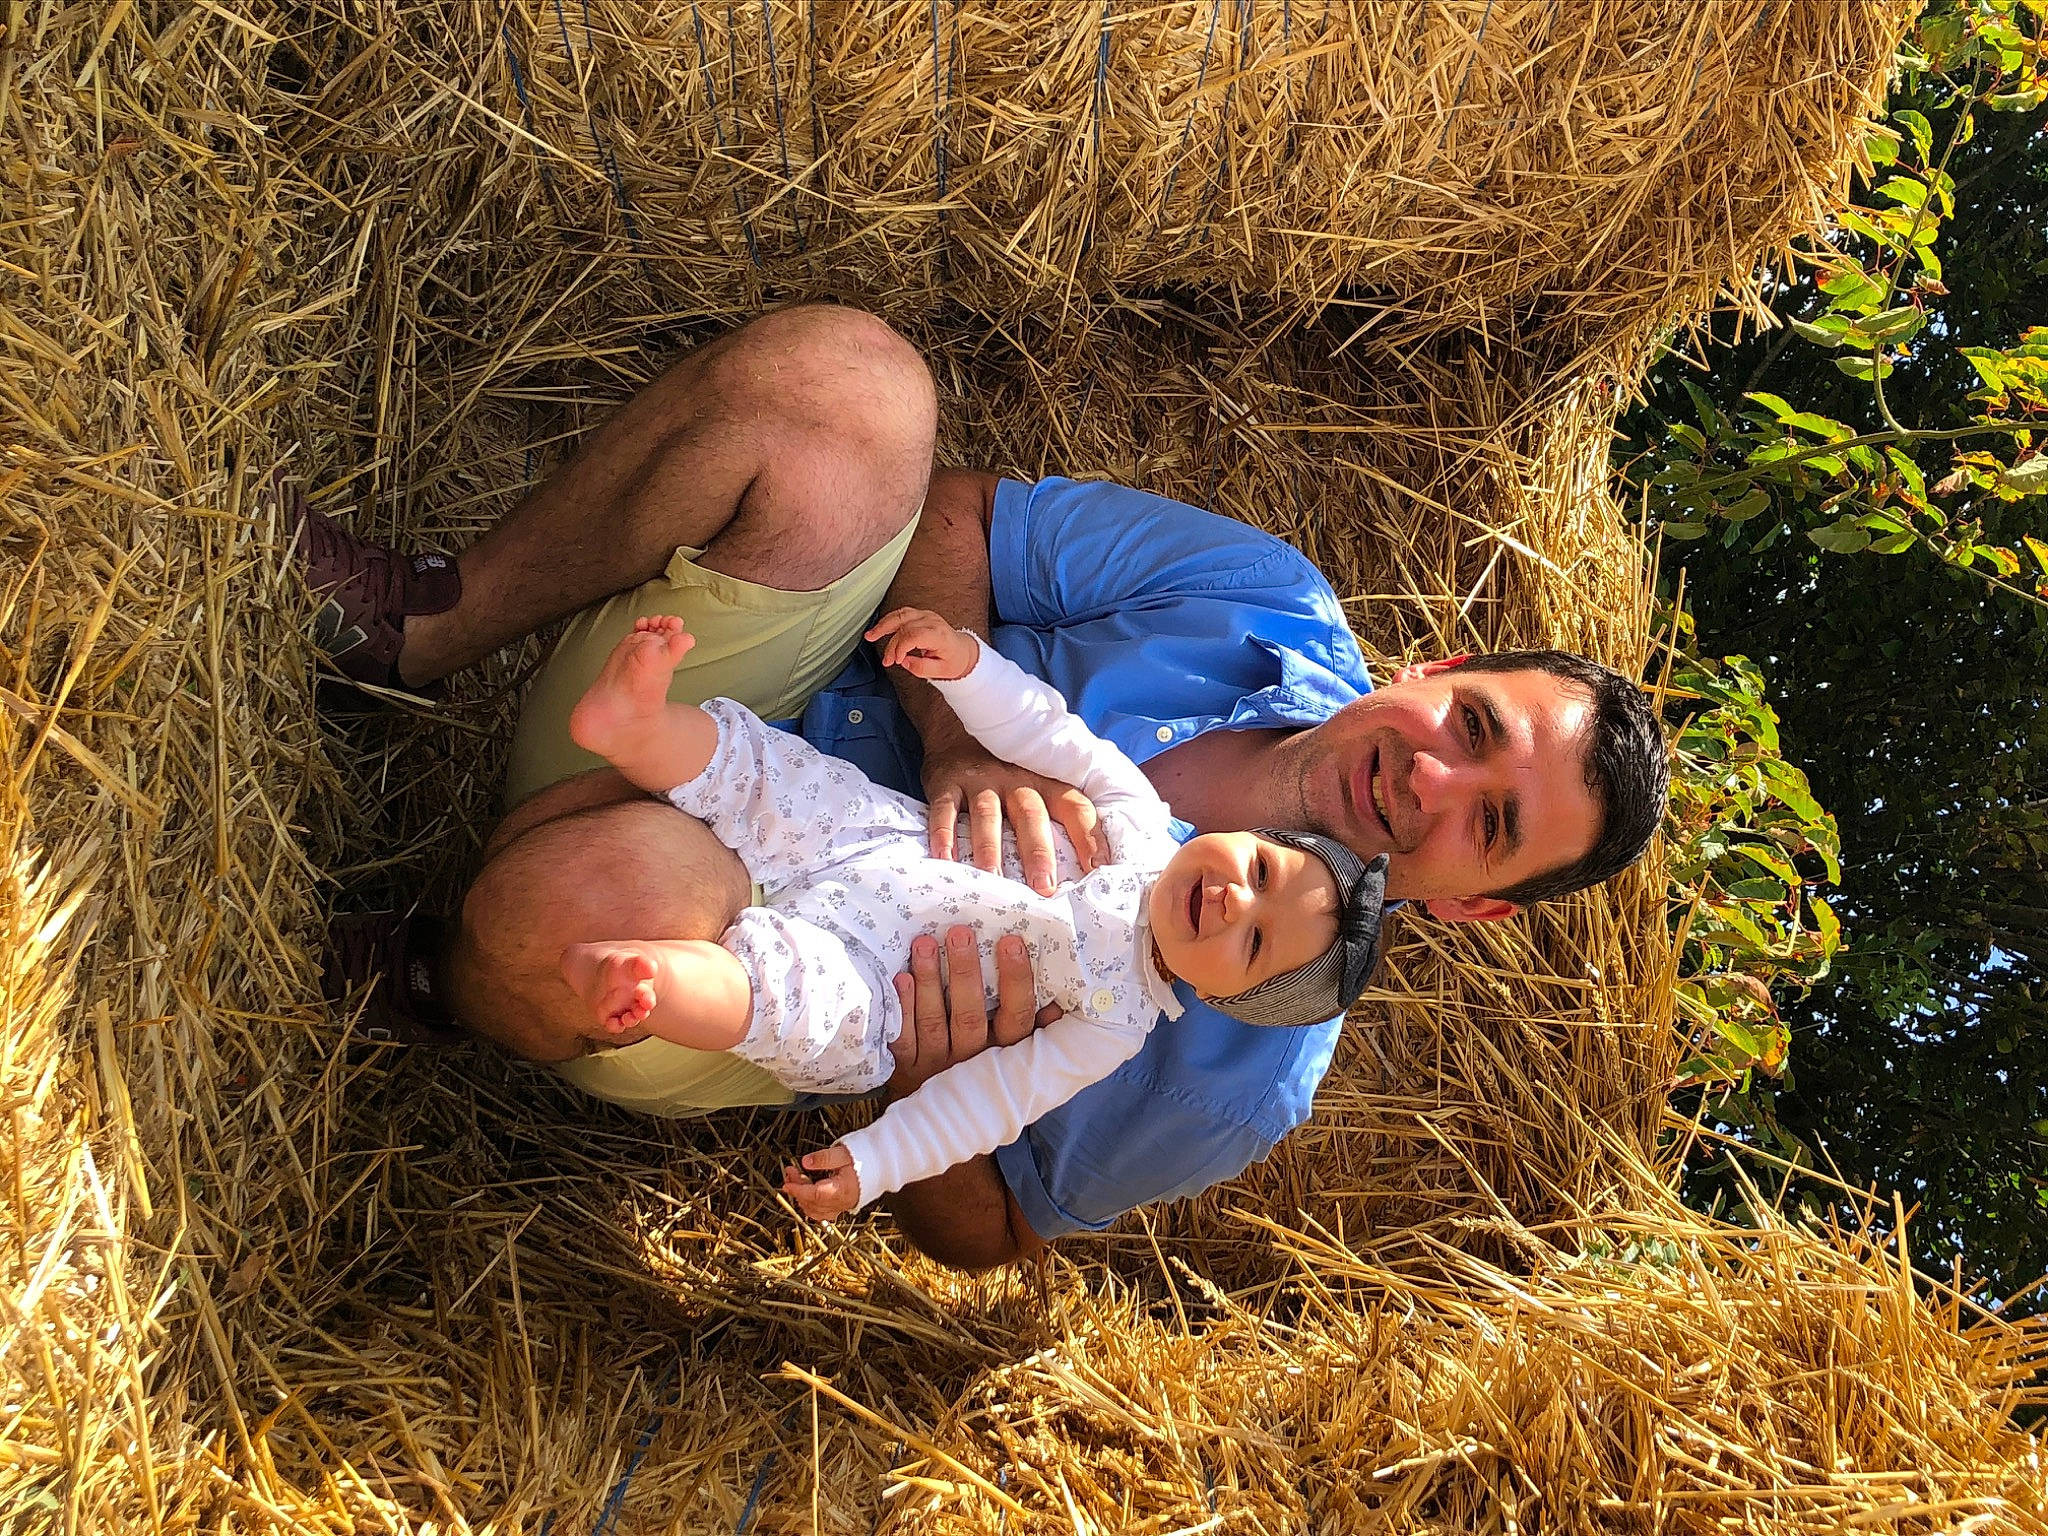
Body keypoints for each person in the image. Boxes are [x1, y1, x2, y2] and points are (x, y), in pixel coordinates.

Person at [302, 303, 1669, 1270]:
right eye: (1473, 725)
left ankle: (439, 976)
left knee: (578, 909)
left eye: (1489, 824)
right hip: (731, 729)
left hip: (753, 939)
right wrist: (959, 733)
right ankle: (424, 629)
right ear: (1440, 664)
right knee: (852, 389)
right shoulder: (1266, 600)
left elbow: (997, 1239)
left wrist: (921, 1087)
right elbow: (953, 514)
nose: (1432, 778)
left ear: (1480, 908)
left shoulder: (1242, 1072)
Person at [562, 608, 1388, 1221]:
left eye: (1252, 942)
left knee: (796, 1011)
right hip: (876, 834)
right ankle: (637, 726)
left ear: (1225, 997)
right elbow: (1046, 731)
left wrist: (873, 1161)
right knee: (769, 775)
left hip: (875, 978)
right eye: (1259, 869)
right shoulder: (1136, 812)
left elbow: (984, 1104)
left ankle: (656, 980)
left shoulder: (1113, 1023)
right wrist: (966, 666)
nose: (1235, 901)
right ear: (1246, 836)